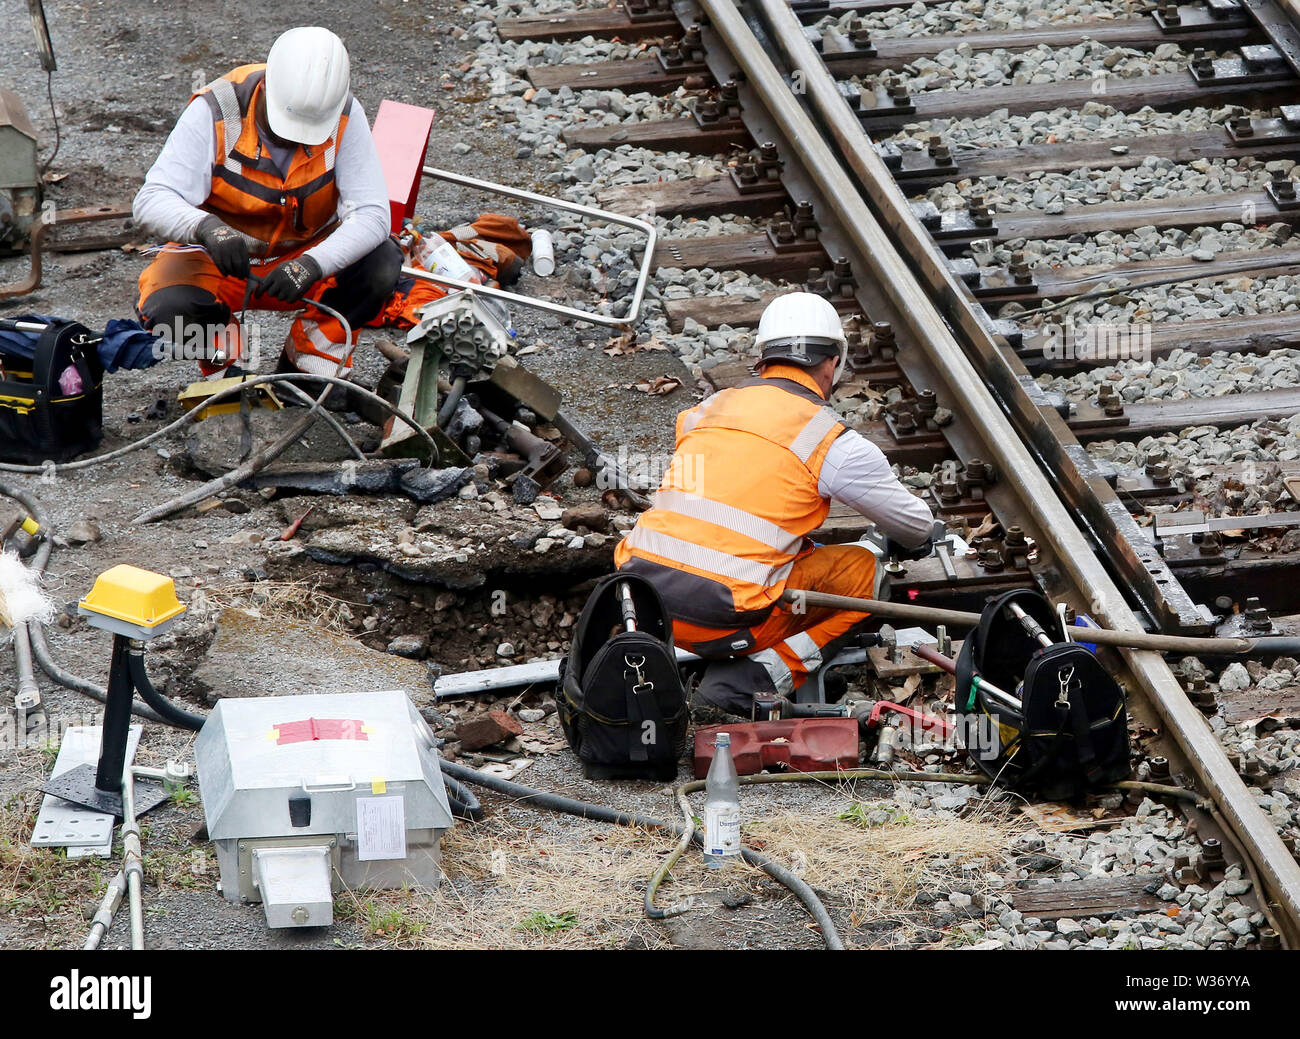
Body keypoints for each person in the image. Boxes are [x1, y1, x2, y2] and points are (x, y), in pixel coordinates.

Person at [614, 291, 938, 713]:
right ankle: (752, 679)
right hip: (723, 622)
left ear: (761, 359)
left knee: (786, 549)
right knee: (866, 578)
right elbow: (914, 527)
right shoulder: (831, 439)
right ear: (833, 363)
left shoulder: (705, 411)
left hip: (643, 605)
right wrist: (918, 540)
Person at [132, 26, 400, 380]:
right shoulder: (217, 109)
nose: (294, 140)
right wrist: (207, 228)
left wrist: (312, 264)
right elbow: (151, 200)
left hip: (300, 264)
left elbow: (373, 214)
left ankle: (308, 372)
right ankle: (227, 373)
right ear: (266, 88)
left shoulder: (344, 115)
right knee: (170, 308)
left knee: (381, 262)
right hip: (218, 262)